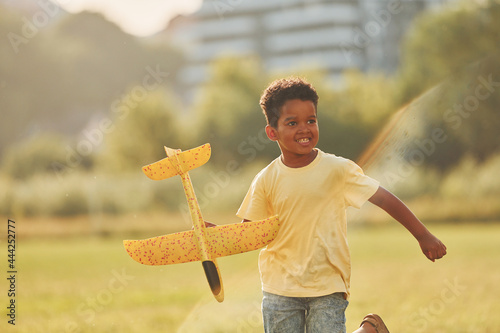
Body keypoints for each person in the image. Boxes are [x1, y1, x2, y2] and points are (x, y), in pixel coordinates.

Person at [232, 77, 447, 333]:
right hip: (280, 288)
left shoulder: (337, 170)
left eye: (311, 120)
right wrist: (217, 237)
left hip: (327, 284)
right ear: (272, 132)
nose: (304, 128)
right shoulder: (266, 179)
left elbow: (383, 198)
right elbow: (249, 234)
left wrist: (423, 235)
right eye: (292, 123)